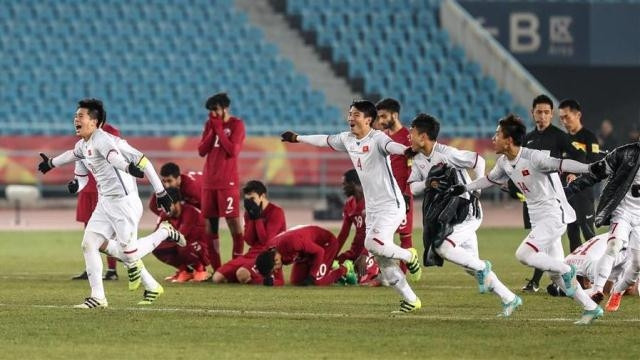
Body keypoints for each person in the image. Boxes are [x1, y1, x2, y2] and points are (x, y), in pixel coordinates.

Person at [450, 114, 604, 325]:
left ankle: (569, 270)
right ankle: (591, 308)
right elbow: (489, 180)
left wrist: (588, 168)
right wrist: (465, 188)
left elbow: (561, 163)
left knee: (524, 254)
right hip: (538, 219)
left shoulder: (534, 158)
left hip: (553, 214)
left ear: (509, 140)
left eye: (497, 134)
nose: (493, 138)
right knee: (555, 276)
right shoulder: (505, 162)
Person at [38, 98, 184, 308]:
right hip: (105, 203)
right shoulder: (82, 145)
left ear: (95, 121)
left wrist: (130, 170)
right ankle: (98, 297)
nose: (75, 119)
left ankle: (164, 232)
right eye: (75, 116)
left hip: (124, 203)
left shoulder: (103, 140)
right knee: (89, 244)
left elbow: (114, 158)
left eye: (80, 116)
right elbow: (78, 169)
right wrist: (56, 168)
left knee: (129, 253)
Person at [281, 99, 422, 313]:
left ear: (368, 120)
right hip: (374, 208)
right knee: (382, 258)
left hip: (391, 205)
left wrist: (406, 151)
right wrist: (297, 138)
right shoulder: (347, 139)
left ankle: (409, 255)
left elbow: (392, 147)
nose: (350, 118)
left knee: (375, 244)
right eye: (350, 114)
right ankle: (411, 300)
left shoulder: (378, 138)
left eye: (356, 115)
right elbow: (323, 140)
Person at [407, 113, 521, 317]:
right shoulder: (417, 159)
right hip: (449, 214)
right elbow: (412, 188)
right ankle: (509, 298)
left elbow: (476, 160)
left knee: (443, 247)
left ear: (423, 136)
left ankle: (484, 267)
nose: (409, 136)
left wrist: (477, 188)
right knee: (470, 266)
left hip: (467, 210)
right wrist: (427, 183)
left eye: (412, 132)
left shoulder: (447, 153)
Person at [520, 94, 586, 293]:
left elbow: (579, 155)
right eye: (539, 112)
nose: (542, 116)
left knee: (542, 240)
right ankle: (562, 284)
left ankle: (544, 281)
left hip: (552, 199)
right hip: (532, 198)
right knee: (548, 241)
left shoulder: (559, 136)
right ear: (532, 114)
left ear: (551, 115)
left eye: (546, 112)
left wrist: (572, 172)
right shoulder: (527, 139)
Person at [564, 137, 640, 310]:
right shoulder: (624, 153)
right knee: (613, 246)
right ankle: (597, 289)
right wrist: (571, 189)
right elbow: (596, 173)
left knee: (636, 264)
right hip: (623, 212)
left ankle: (617, 291)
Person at [198, 92, 245, 264]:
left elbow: (232, 151)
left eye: (216, 110)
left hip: (228, 182)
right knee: (211, 225)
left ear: (226, 108)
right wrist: (212, 130)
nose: (213, 114)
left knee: (233, 221)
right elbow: (202, 150)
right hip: (209, 181)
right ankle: (217, 268)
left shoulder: (237, 124)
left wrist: (219, 129)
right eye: (211, 111)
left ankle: (236, 263)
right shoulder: (209, 125)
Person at [71, 121, 121, 281]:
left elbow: (114, 154)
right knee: (89, 230)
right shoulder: (83, 129)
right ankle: (91, 269)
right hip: (87, 188)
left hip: (104, 188)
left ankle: (112, 270)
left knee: (108, 230)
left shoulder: (110, 131)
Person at [212, 180, 287, 285]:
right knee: (217, 277)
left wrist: (257, 218)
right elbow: (249, 241)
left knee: (241, 274)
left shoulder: (276, 212)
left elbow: (267, 242)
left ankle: (273, 280)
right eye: (247, 200)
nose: (250, 203)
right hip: (251, 254)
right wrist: (252, 218)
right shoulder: (249, 214)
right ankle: (247, 277)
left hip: (267, 256)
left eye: (252, 199)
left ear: (262, 196)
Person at [148, 163, 219, 270]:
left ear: (179, 179)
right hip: (188, 216)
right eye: (164, 181)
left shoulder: (193, 189)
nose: (166, 185)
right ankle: (185, 269)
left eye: (169, 181)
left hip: (212, 191)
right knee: (174, 241)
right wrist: (172, 217)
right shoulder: (165, 188)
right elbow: (153, 205)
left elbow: (209, 212)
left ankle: (210, 266)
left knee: (189, 239)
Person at [375, 98, 413, 272]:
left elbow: (412, 169)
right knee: (383, 237)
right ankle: (384, 273)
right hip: (387, 195)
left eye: (383, 116)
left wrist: (406, 193)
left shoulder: (407, 138)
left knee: (405, 237)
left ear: (395, 115)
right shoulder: (384, 139)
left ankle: (403, 274)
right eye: (379, 117)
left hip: (403, 195)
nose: (381, 121)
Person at [559, 99, 599, 253]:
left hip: (584, 194)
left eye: (567, 117)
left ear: (578, 115)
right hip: (568, 195)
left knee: (589, 235)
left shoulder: (589, 137)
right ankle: (577, 275)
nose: (564, 121)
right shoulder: (562, 139)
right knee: (572, 235)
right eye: (561, 118)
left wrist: (575, 173)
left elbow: (595, 163)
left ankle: (594, 273)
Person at [255, 225, 356, 286]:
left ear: (276, 259)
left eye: (274, 269)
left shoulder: (292, 243)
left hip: (326, 244)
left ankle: (345, 268)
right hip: (307, 253)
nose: (276, 271)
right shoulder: (271, 252)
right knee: (297, 281)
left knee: (316, 281)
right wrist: (271, 282)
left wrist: (312, 275)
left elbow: (319, 251)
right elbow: (280, 281)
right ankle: (328, 268)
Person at [153, 187, 210, 283]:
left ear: (177, 203)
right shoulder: (165, 214)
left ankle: (201, 270)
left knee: (181, 244)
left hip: (204, 250)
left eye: (167, 205)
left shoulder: (190, 213)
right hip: (185, 246)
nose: (165, 209)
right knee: (155, 247)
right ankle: (185, 271)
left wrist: (164, 240)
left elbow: (180, 237)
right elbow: (155, 236)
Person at [334, 169, 379, 285]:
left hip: (371, 251)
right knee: (334, 267)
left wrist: (365, 254)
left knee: (364, 282)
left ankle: (381, 270)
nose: (342, 188)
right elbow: (343, 234)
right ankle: (350, 272)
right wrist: (332, 255)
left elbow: (376, 232)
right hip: (355, 251)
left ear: (353, 184)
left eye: (344, 184)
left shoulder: (371, 202)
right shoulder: (349, 204)